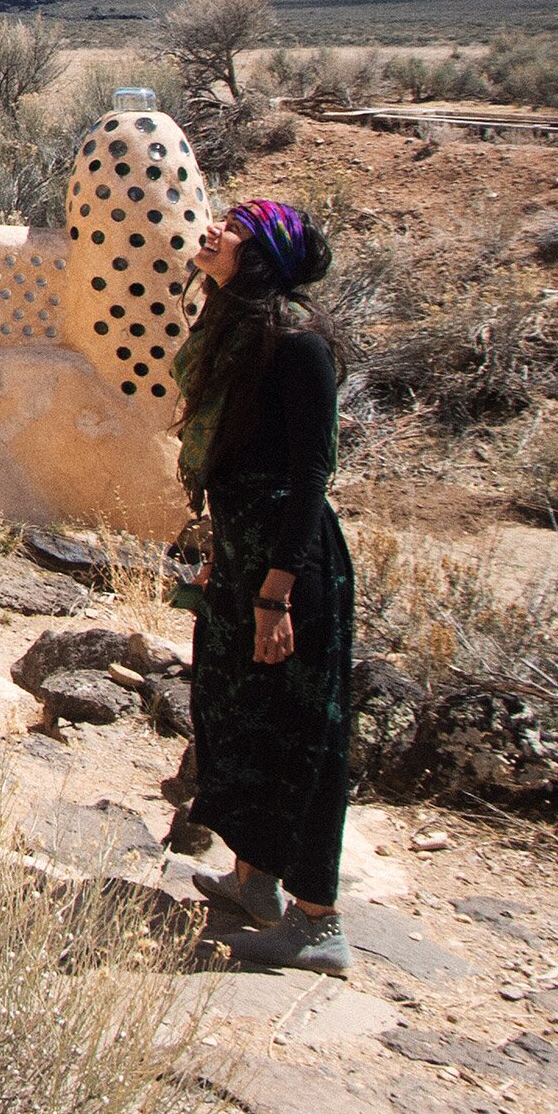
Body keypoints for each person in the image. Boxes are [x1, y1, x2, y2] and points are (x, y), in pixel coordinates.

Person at [175, 197, 356, 976]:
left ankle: (318, 923)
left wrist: (277, 593)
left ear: (261, 255)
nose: (211, 230)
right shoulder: (235, 330)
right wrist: (224, 551)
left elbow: (310, 473)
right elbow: (233, 462)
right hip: (245, 553)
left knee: (297, 731)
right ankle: (254, 881)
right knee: (230, 707)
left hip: (292, 564)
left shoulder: (298, 343)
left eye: (233, 227)